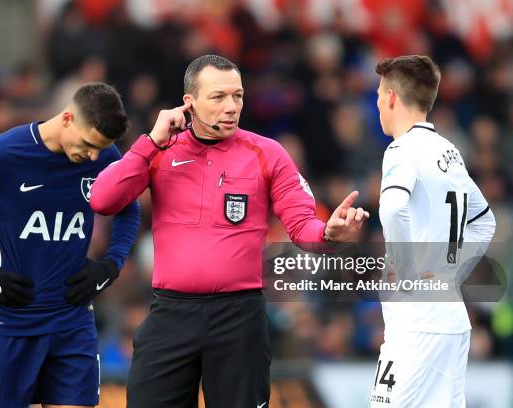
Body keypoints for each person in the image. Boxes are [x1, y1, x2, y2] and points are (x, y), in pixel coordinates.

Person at [89, 54, 369, 408]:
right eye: (218, 97)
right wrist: (150, 140)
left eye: (237, 96)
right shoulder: (161, 149)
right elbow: (102, 199)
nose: (231, 106)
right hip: (171, 314)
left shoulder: (268, 153)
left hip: (239, 318)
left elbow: (302, 225)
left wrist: (330, 234)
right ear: (189, 103)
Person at [0, 82, 141, 408]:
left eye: (101, 149)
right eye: (89, 145)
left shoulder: (103, 155)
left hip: (72, 324)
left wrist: (111, 264)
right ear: (68, 118)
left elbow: (130, 208)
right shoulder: (3, 153)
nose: (93, 156)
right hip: (11, 324)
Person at [372, 55, 496, 407]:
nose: (378, 103)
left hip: (417, 323)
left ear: (392, 97)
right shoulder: (448, 150)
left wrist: (409, 270)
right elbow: (485, 221)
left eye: (380, 94)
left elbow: (394, 208)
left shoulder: (402, 150)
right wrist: (450, 273)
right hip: (451, 320)